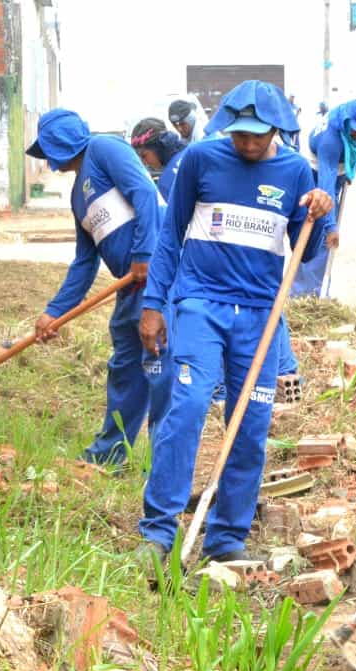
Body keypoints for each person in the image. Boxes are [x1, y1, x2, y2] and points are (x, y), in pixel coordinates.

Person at [136, 81, 332, 569]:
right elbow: (170, 237)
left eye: (257, 135)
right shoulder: (200, 160)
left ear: (276, 130)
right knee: (187, 407)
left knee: (250, 423)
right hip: (200, 304)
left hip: (260, 314)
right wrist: (154, 304)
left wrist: (317, 213)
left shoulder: (295, 171)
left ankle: (226, 536)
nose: (247, 143)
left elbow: (305, 249)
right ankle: (159, 530)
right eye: (240, 133)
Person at [24, 108, 171, 468]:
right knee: (124, 366)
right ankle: (109, 455)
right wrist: (55, 312)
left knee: (160, 365)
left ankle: (165, 465)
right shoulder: (78, 198)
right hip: (130, 285)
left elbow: (144, 194)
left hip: (158, 274)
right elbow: (84, 262)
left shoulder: (105, 149)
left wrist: (144, 253)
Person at [292, 98, 356, 297]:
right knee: (317, 228)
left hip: (337, 170)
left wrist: (349, 172)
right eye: (355, 129)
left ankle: (317, 289)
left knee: (325, 227)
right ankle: (305, 294)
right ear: (346, 121)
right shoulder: (330, 140)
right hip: (315, 172)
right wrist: (331, 227)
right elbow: (325, 187)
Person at [130, 117, 185, 199]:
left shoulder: (166, 183)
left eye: (144, 155)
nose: (143, 162)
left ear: (157, 147)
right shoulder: (191, 151)